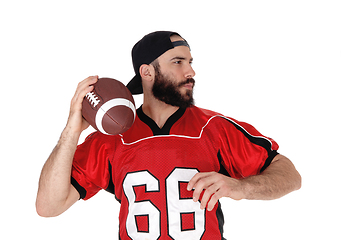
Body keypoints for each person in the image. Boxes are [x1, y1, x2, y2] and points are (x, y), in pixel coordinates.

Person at [36, 31, 301, 239]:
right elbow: (48, 207)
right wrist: (72, 130)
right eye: (178, 62)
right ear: (147, 71)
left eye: (190, 62)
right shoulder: (111, 138)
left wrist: (242, 187)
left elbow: (290, 175)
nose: (191, 72)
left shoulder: (215, 128)